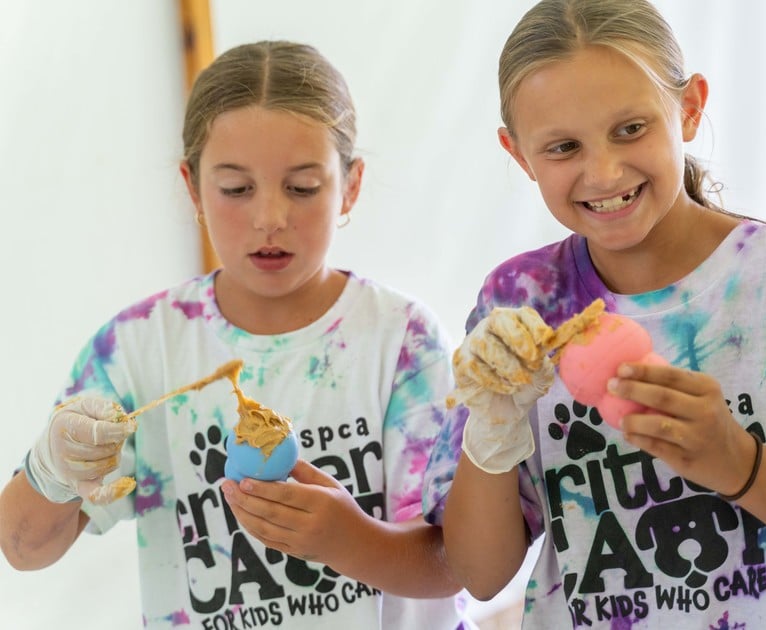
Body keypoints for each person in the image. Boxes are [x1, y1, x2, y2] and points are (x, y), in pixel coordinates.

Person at [421, 1, 766, 628]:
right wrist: (492, 431)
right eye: (564, 146)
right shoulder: (520, 302)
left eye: (630, 129)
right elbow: (481, 577)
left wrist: (738, 462)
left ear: (691, 108)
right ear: (519, 155)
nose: (604, 172)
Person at [0, 40, 471, 629]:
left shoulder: (402, 341)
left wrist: (349, 540)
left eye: (302, 187)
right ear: (192, 187)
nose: (269, 216)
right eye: (235, 189)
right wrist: (52, 468)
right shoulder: (138, 350)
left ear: (350, 185)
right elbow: (23, 548)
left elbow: (464, 562)